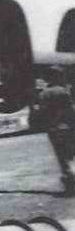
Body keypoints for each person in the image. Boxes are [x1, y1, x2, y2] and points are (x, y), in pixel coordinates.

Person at [39, 65, 75, 194]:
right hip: (68, 126)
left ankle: (70, 183)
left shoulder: (43, 93)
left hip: (53, 128)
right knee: (71, 154)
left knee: (62, 156)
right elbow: (69, 111)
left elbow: (41, 113)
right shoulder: (63, 91)